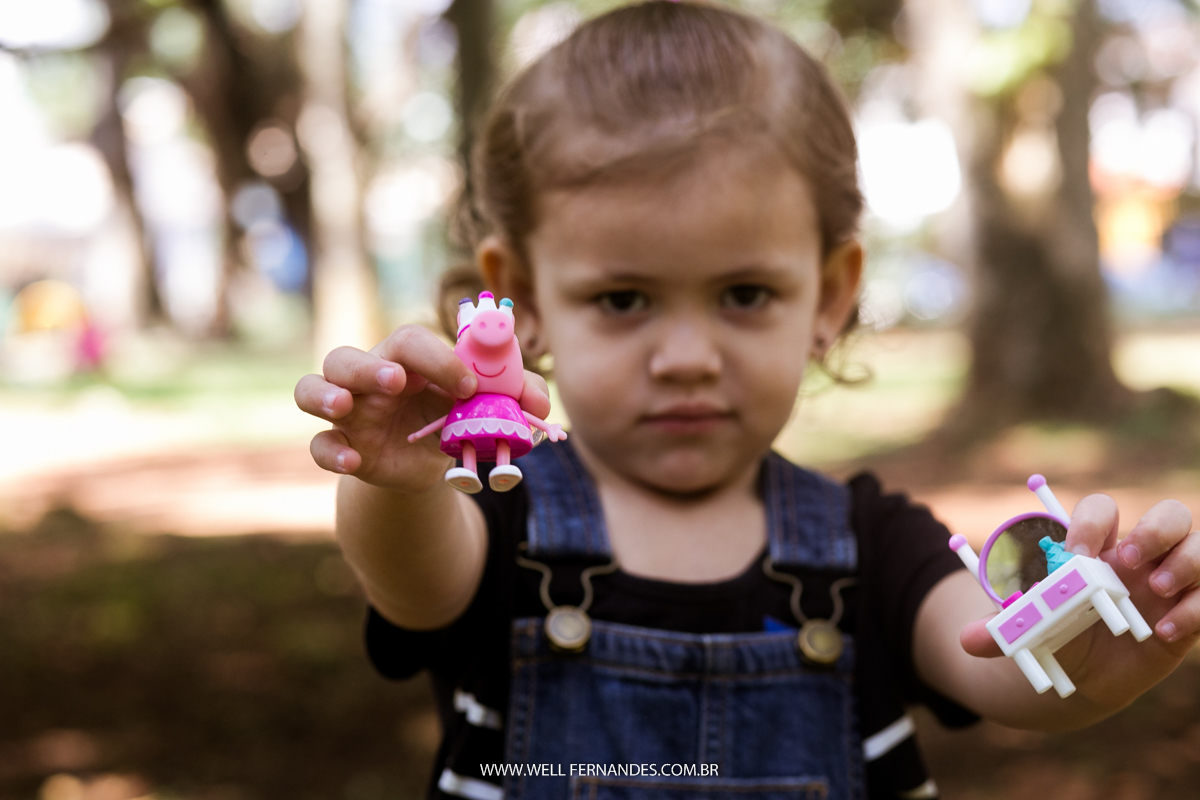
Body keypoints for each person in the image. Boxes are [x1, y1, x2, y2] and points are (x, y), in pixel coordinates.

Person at [293, 3, 1200, 799]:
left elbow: (994, 664)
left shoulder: (872, 544)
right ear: (522, 301)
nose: (687, 359)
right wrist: (400, 484)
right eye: (623, 300)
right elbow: (413, 587)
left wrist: (1086, 649)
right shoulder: (500, 510)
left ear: (830, 295)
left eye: (743, 295)